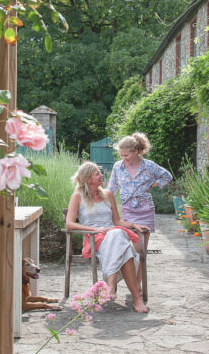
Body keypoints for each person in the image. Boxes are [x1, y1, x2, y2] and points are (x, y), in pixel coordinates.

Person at [65, 161, 149, 313]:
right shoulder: (77, 197)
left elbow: (117, 221)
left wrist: (133, 225)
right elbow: (69, 224)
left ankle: (110, 286)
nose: (101, 175)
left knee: (117, 234)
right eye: (97, 173)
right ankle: (137, 299)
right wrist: (95, 229)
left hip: (113, 235)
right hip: (94, 238)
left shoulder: (108, 194)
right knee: (126, 248)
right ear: (87, 178)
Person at [108, 132, 173, 250]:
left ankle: (141, 268)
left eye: (126, 155)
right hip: (127, 209)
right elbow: (111, 188)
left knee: (141, 250)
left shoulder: (149, 166)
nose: (124, 159)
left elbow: (167, 176)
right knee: (128, 248)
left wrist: (154, 184)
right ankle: (132, 268)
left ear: (136, 151)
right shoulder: (118, 167)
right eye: (121, 155)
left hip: (145, 209)